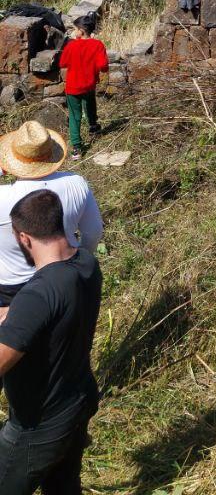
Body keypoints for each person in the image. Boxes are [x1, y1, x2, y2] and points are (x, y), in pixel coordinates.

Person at [0, 189, 102, 494]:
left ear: (24, 239)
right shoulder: (85, 263)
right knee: (63, 488)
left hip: (38, 426)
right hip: (77, 402)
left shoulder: (38, 294)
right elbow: (51, 314)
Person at [0, 122, 104, 311]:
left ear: (13, 160)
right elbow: (94, 231)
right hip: (64, 274)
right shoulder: (76, 183)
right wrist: (81, 260)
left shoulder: (3, 198)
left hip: (14, 286)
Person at [57, 18, 108, 159]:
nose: (73, 32)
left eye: (75, 29)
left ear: (82, 30)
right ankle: (93, 127)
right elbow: (103, 66)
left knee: (75, 116)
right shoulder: (98, 45)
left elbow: (62, 63)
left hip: (73, 87)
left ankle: (77, 148)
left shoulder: (71, 46)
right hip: (89, 84)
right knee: (90, 103)